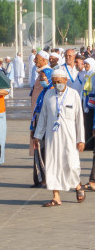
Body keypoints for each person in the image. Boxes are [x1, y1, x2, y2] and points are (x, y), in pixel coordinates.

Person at [33, 67, 85, 207]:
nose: (57, 85)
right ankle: (56, 197)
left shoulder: (73, 94)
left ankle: (78, 186)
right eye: (55, 82)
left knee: (72, 165)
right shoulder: (49, 95)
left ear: (66, 80)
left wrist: (81, 139)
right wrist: (37, 136)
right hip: (52, 138)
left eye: (59, 82)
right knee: (53, 166)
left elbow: (79, 118)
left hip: (70, 138)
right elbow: (43, 117)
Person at [29, 68, 53, 187]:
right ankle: (39, 179)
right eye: (40, 78)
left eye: (44, 77)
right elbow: (35, 112)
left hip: (47, 127)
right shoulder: (43, 92)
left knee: (47, 153)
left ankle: (47, 179)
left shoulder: (52, 93)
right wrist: (32, 128)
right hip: (38, 126)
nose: (42, 80)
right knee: (38, 152)